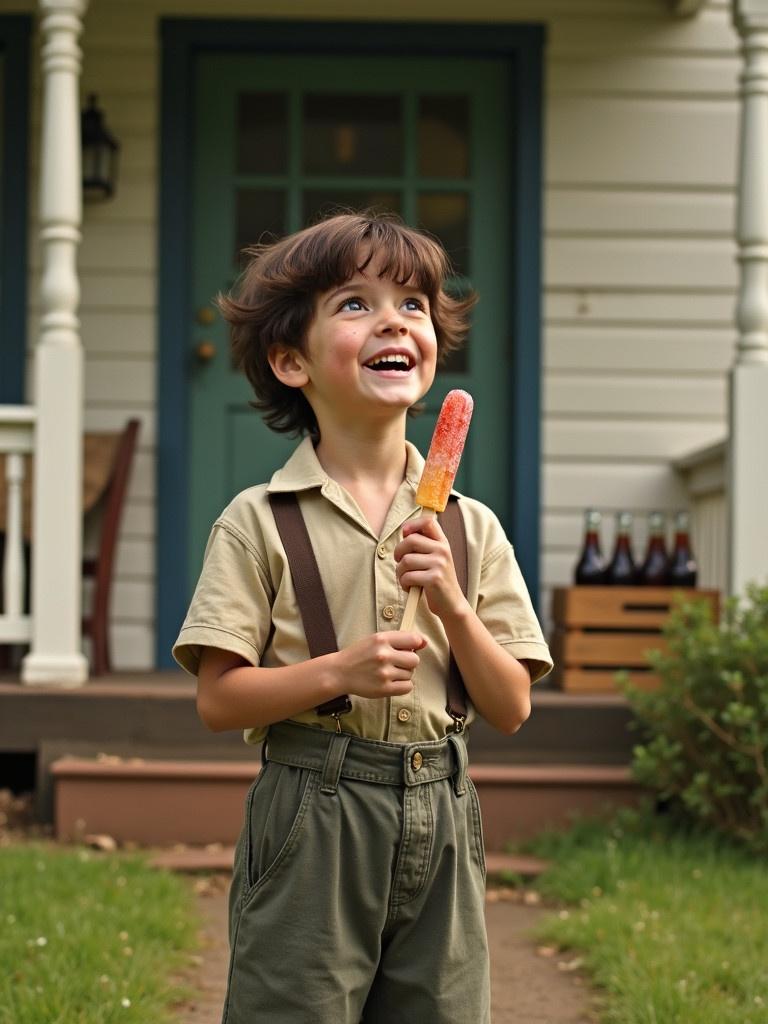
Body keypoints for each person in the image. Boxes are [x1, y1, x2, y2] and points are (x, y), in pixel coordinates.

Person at [173, 211, 553, 1024]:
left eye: (413, 305)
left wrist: (452, 601)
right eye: (354, 304)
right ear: (289, 360)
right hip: (313, 810)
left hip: (443, 806)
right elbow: (218, 700)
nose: (393, 320)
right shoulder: (259, 519)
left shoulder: (470, 527)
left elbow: (512, 707)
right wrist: (337, 673)